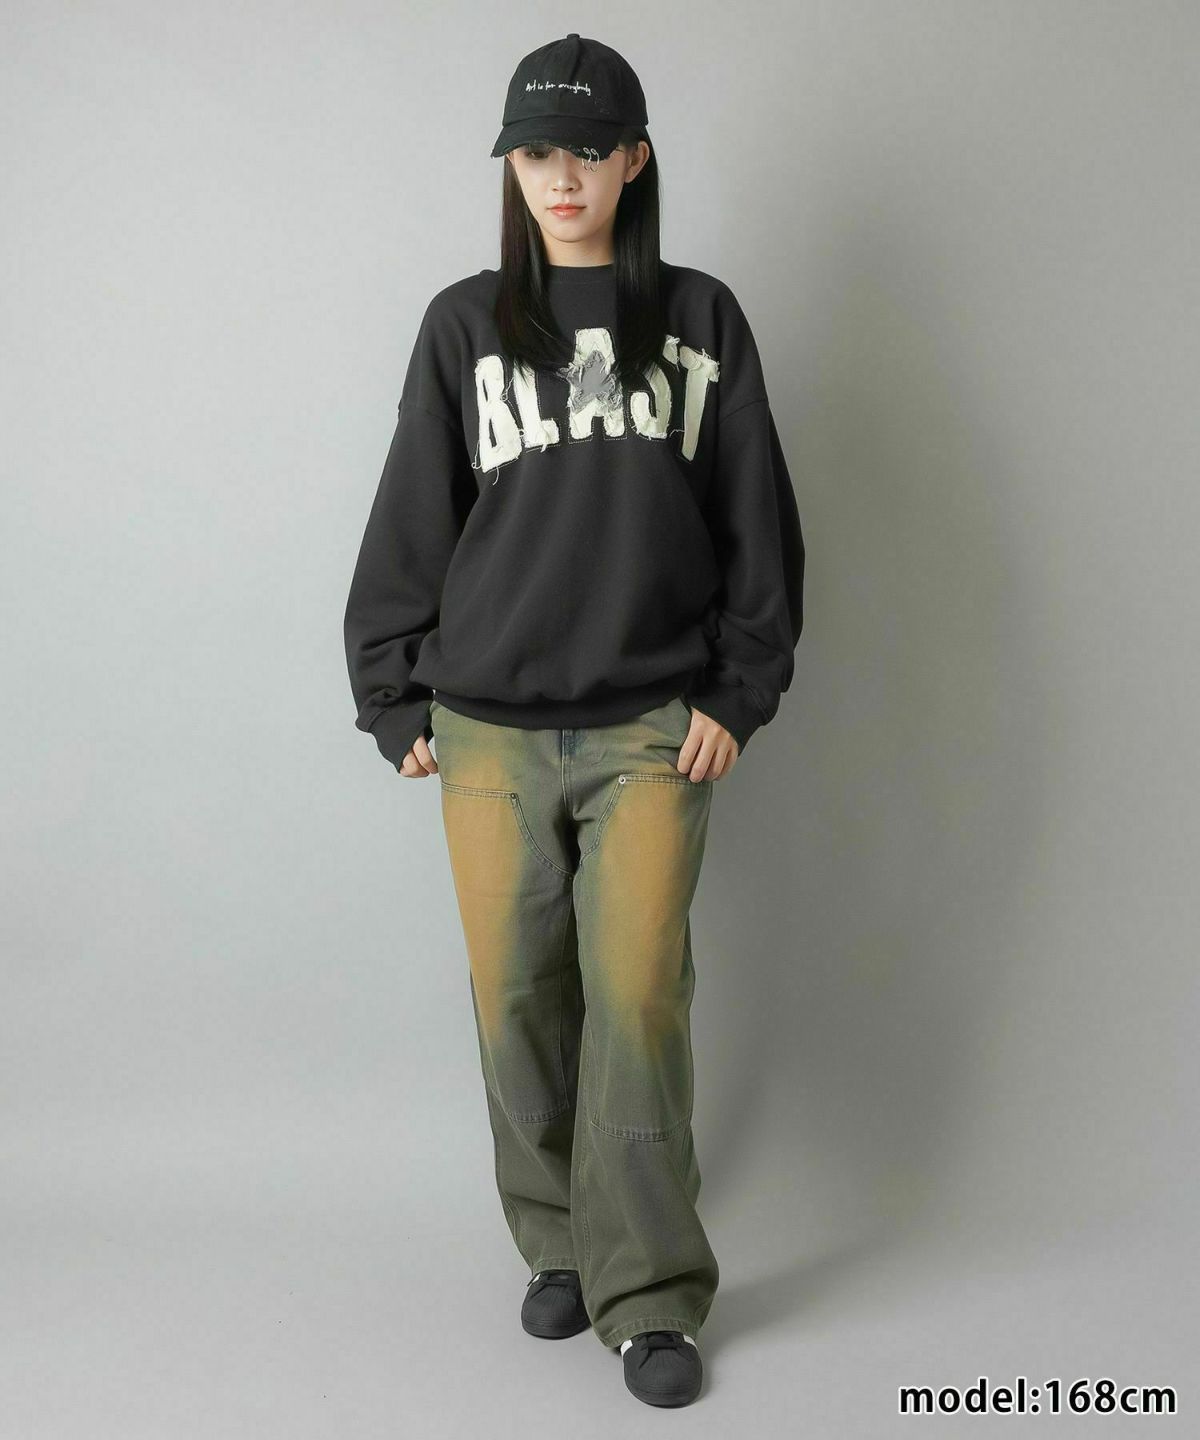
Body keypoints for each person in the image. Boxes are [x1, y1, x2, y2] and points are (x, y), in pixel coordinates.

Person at [343, 32, 805, 1409]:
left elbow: (758, 519)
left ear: (635, 160)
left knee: (639, 998)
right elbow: (414, 514)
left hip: (650, 728)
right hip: (484, 733)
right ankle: (557, 1241)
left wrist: (738, 689)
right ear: (512, 165)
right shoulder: (464, 324)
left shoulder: (702, 319)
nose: (563, 176)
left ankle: (648, 1291)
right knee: (516, 1002)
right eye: (538, 152)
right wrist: (392, 691)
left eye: (590, 150)